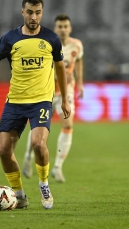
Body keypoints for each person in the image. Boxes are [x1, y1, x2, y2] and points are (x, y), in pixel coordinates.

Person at [0, 0, 71, 209]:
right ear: (22, 12)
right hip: (15, 102)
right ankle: (20, 196)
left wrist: (65, 99)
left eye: (38, 12)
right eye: (30, 12)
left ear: (42, 12)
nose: (34, 16)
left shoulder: (51, 38)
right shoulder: (10, 38)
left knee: (38, 144)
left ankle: (44, 185)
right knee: (4, 149)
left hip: (41, 101)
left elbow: (60, 69)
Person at [22, 14, 84, 183]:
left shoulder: (76, 45)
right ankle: (27, 158)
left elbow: (78, 61)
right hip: (46, 92)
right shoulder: (45, 44)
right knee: (38, 130)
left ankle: (57, 167)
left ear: (70, 28)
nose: (63, 29)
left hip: (66, 92)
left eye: (66, 26)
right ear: (55, 28)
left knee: (68, 124)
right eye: (60, 27)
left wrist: (79, 83)